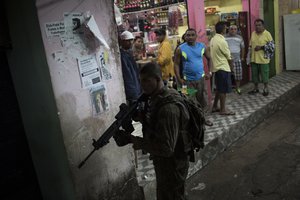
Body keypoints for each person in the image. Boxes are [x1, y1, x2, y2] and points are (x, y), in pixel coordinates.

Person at [114, 62, 191, 200]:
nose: (142, 85)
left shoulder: (168, 108)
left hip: (173, 165)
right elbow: (153, 128)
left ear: (157, 79)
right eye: (140, 81)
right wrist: (131, 129)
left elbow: (166, 148)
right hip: (164, 164)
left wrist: (137, 142)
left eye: (146, 80)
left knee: (173, 196)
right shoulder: (155, 99)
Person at [174, 28, 213, 126]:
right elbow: (176, 64)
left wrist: (210, 72)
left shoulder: (202, 46)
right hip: (186, 82)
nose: (190, 37)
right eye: (188, 35)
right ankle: (192, 122)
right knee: (188, 101)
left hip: (200, 80)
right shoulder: (180, 48)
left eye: (192, 35)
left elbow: (209, 59)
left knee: (202, 100)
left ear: (196, 37)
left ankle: (204, 119)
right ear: (185, 37)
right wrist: (179, 79)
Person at [210, 22, 235, 116]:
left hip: (216, 67)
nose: (227, 29)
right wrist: (232, 68)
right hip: (223, 67)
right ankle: (223, 109)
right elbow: (229, 57)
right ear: (224, 29)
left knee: (219, 89)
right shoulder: (222, 41)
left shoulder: (213, 39)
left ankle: (215, 106)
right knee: (223, 90)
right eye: (226, 28)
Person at [248, 19, 274, 96]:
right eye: (256, 25)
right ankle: (256, 88)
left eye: (259, 25)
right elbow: (250, 46)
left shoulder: (267, 34)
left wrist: (262, 47)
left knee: (264, 75)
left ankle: (265, 88)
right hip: (254, 59)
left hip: (264, 60)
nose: (257, 27)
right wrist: (248, 57)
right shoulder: (253, 33)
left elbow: (272, 46)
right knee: (254, 76)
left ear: (263, 26)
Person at [119, 30, 142, 105]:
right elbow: (127, 75)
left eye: (131, 40)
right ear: (122, 41)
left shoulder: (128, 53)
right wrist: (133, 92)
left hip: (136, 85)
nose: (131, 43)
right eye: (128, 41)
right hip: (132, 89)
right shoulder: (122, 56)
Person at [225, 25, 245, 95]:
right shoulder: (224, 37)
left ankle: (238, 88)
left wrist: (242, 57)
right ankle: (228, 88)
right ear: (229, 30)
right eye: (231, 29)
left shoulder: (240, 38)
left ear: (237, 30)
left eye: (235, 29)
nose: (233, 30)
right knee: (227, 75)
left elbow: (242, 48)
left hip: (237, 59)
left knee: (238, 75)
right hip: (227, 60)